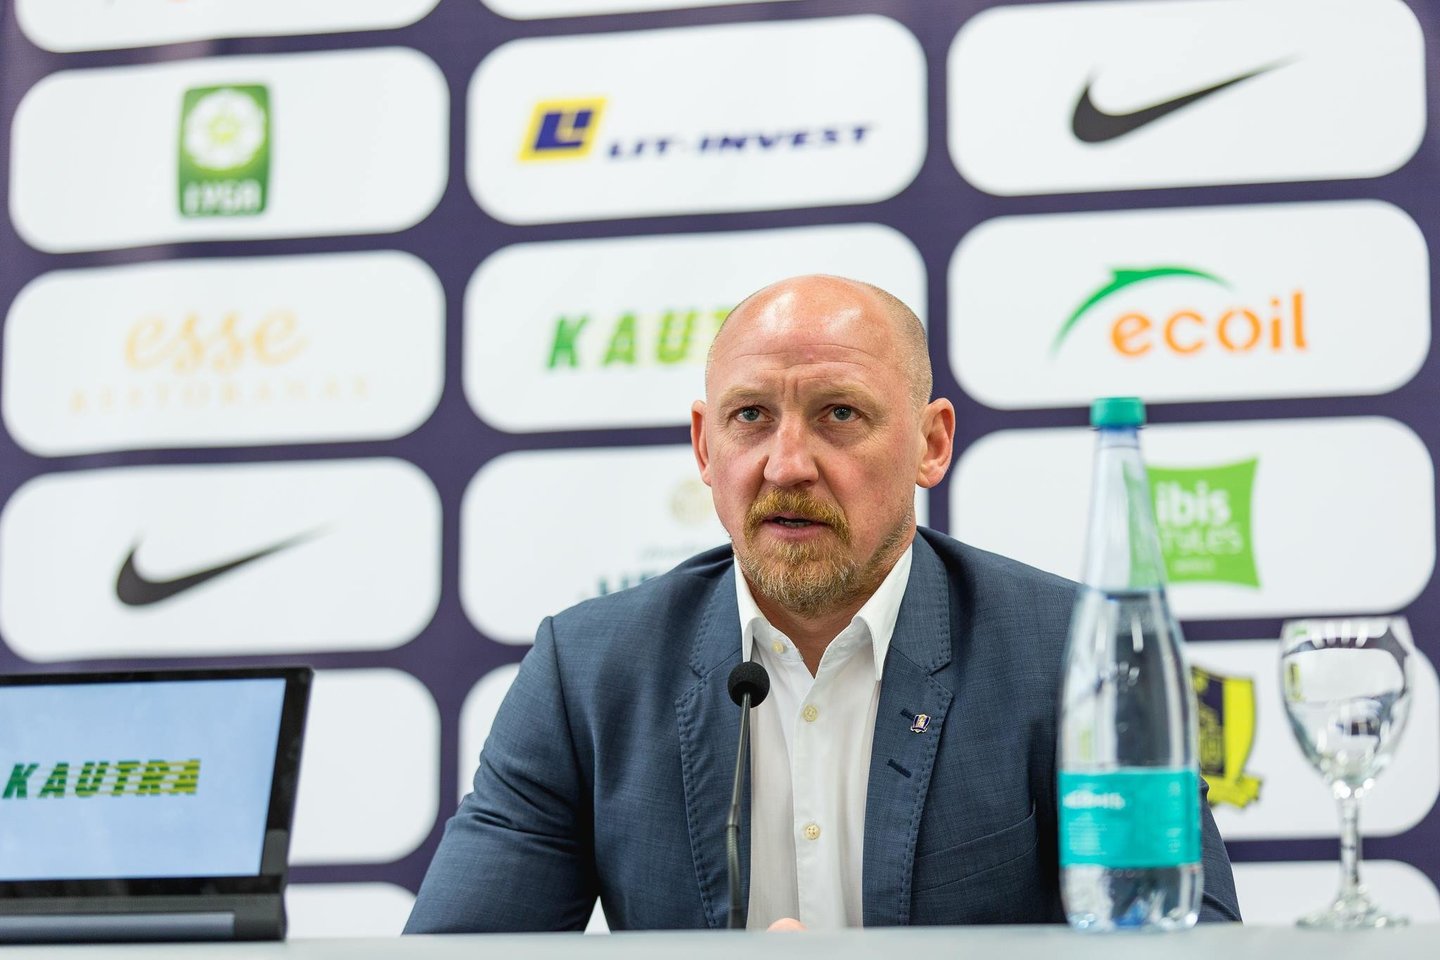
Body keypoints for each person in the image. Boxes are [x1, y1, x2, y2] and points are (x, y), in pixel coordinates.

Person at [405, 275, 1241, 932]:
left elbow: (1185, 943)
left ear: (931, 443)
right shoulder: (587, 673)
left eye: (839, 414)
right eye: (750, 417)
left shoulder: (1074, 654)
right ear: (704, 446)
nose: (787, 465)